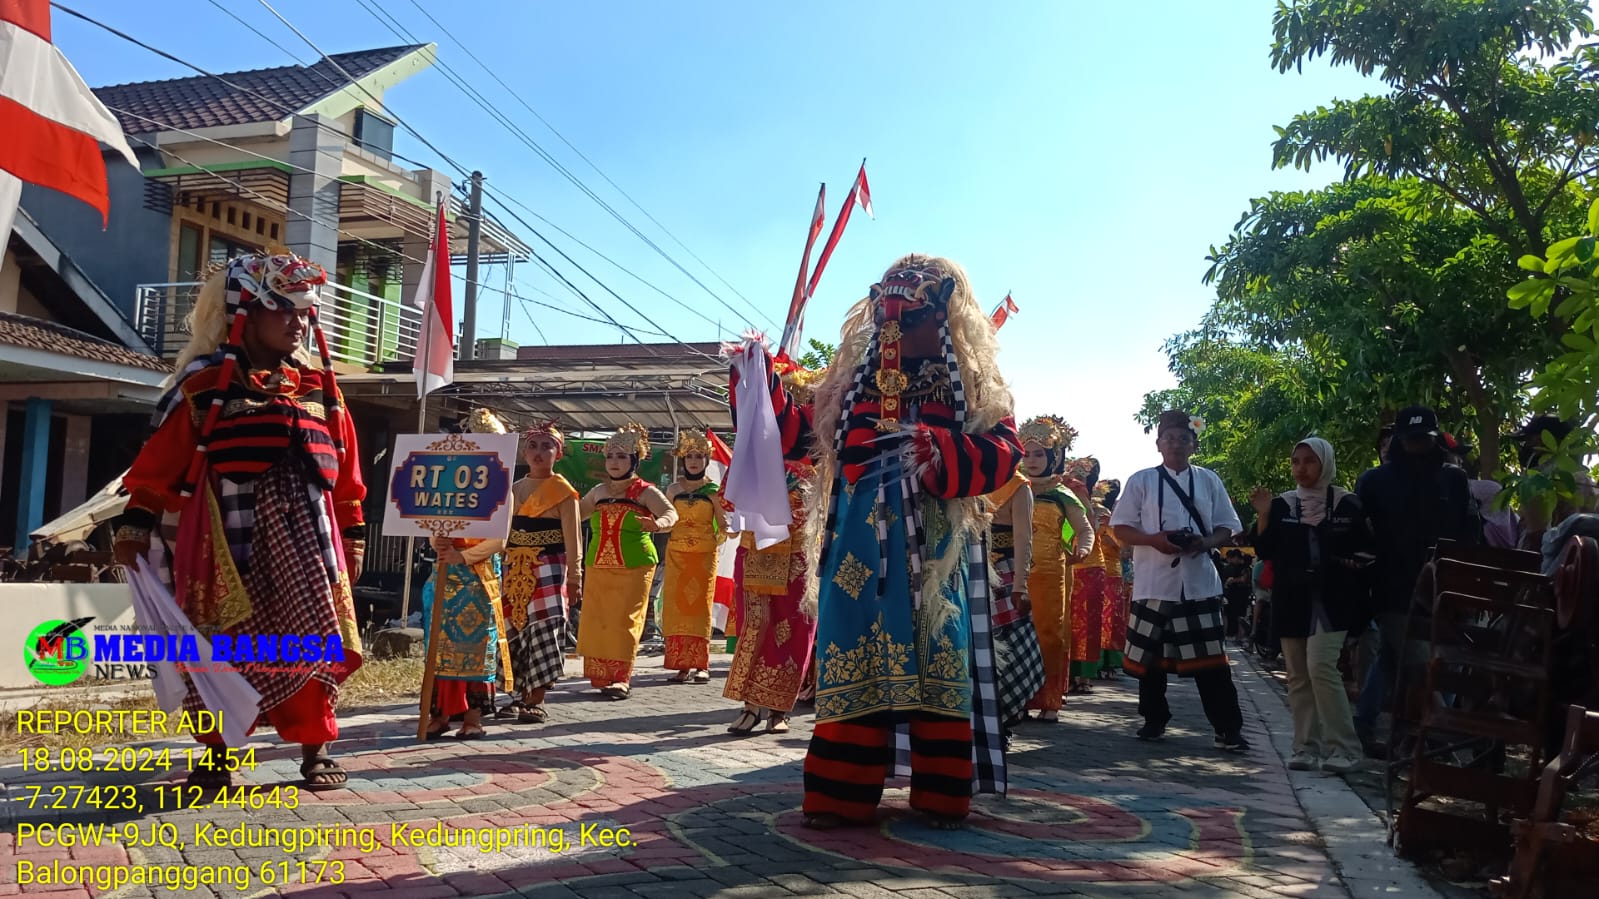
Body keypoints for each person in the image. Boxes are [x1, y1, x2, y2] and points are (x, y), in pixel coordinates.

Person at [729, 254, 1023, 829]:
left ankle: (941, 794)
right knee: (851, 659)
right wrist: (759, 382)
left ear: (944, 316)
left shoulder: (973, 388)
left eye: (910, 318)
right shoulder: (849, 387)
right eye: (888, 318)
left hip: (935, 553)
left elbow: (1004, 455)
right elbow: (800, 438)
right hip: (855, 551)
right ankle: (841, 794)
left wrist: (936, 450)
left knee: (939, 658)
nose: (896, 331)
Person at [114, 253, 364, 789]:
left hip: (307, 544)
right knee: (217, 648)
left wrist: (354, 533)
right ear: (244, 313)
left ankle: (316, 747)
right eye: (284, 310)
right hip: (222, 540)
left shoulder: (318, 386)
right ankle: (216, 756)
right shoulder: (204, 385)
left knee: (311, 637)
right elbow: (161, 461)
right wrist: (135, 524)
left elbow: (346, 471)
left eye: (304, 312)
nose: (298, 323)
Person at [1110, 409, 1249, 750]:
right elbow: (1120, 527)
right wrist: (1154, 540)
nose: (1175, 444)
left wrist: (1206, 542)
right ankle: (1153, 720)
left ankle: (1228, 728)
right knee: (1150, 660)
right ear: (1158, 444)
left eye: (1183, 439)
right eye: (1169, 438)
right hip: (1153, 581)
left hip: (1199, 581)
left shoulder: (1209, 480)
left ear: (1194, 445)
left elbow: (1228, 525)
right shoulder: (1141, 480)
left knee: (1212, 661)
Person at [1352, 405, 1477, 755]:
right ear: (1400, 439)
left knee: (1396, 658)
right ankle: (1438, 734)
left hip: (1444, 590)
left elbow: (1470, 533)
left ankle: (1370, 726)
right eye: (1411, 439)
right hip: (1392, 589)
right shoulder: (1374, 481)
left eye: (1424, 438)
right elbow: (1358, 534)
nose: (1418, 445)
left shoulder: (1454, 480)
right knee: (1421, 663)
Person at [1250, 438, 1369, 773]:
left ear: (1325, 463)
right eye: (1296, 461)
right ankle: (1305, 747)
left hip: (1334, 600)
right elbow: (1264, 550)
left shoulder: (1347, 504)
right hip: (1292, 600)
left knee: (1321, 667)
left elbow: (1366, 550)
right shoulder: (1282, 505)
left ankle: (1345, 749)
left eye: (1309, 461)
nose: (1301, 468)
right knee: (1298, 675)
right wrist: (1263, 514)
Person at [422, 409, 513, 741]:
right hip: (444, 574)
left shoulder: (503, 487)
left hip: (479, 578)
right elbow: (433, 522)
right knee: (439, 647)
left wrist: (463, 556)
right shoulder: (447, 480)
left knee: (476, 648)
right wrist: (437, 542)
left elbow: (499, 540)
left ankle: (473, 719)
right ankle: (439, 715)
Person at [576, 423, 678, 700]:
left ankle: (621, 678)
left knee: (625, 620)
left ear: (634, 460)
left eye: (621, 456)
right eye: (610, 456)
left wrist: (658, 524)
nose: (614, 462)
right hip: (598, 564)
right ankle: (601, 675)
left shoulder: (645, 492)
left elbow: (671, 514)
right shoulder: (598, 492)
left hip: (635, 565)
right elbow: (574, 515)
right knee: (599, 620)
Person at [724, 457, 819, 734]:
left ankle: (780, 709)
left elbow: (819, 510)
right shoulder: (750, 460)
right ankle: (750, 706)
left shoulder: (815, 466)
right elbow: (728, 501)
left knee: (796, 632)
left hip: (797, 556)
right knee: (754, 627)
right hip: (754, 553)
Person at [499, 420, 582, 724]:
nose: (538, 452)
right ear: (523, 452)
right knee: (513, 629)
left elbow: (573, 538)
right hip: (513, 566)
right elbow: (503, 533)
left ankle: (536, 698)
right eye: (532, 446)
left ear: (558, 453)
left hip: (549, 566)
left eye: (547, 446)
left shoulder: (563, 492)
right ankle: (515, 694)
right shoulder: (514, 489)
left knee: (544, 628)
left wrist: (575, 577)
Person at [1020, 418, 1093, 721]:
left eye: (1039, 454)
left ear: (1054, 456)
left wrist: (1083, 548)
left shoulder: (1063, 493)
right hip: (1015, 572)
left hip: (1052, 575)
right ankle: (1018, 698)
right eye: (1027, 453)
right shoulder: (1012, 487)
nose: (1032, 460)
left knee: (1049, 634)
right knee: (1017, 634)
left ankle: (1049, 700)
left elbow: (1085, 529)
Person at [661, 431, 729, 684]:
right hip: (677, 555)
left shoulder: (714, 491)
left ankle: (701, 664)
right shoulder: (673, 489)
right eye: (689, 456)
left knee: (700, 609)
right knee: (677, 608)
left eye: (699, 456)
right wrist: (653, 524)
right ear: (682, 459)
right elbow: (667, 520)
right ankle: (681, 665)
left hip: (703, 557)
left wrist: (736, 528)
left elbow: (723, 524)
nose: (693, 461)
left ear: (706, 460)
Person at [1512, 414, 1599, 551]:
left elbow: (1535, 541)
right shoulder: (1586, 482)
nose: (1524, 446)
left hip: (1546, 560)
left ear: (1541, 441)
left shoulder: (1539, 483)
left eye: (1528, 440)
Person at [1065, 457, 1105, 692]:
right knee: (1066, 620)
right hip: (1063, 561)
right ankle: (1067, 675)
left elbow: (1087, 527)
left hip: (1089, 565)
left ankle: (1085, 676)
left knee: (1088, 621)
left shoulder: (1091, 503)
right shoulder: (1056, 489)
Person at [1094, 481, 1129, 677]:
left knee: (1107, 617)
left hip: (1105, 571)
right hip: (1106, 571)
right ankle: (1105, 662)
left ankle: (1105, 661)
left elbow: (1124, 546)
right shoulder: (1103, 514)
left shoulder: (1108, 517)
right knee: (1108, 617)